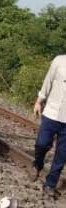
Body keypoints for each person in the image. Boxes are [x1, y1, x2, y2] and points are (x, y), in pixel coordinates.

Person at [33, 54, 66, 199]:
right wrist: (39, 101)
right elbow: (48, 81)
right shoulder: (59, 61)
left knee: (62, 154)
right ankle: (37, 164)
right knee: (42, 143)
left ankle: (50, 184)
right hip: (52, 112)